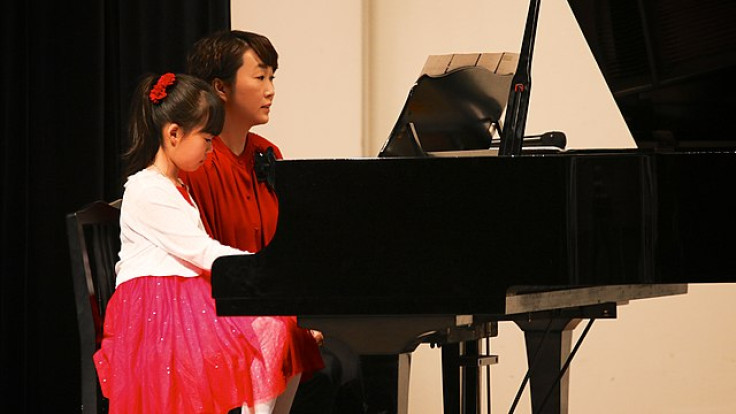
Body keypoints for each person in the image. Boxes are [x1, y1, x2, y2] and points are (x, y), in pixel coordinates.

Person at [93, 72, 322, 414]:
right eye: (207, 138)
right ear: (174, 134)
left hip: (180, 300)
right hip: (156, 313)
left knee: (290, 334)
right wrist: (269, 269)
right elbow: (205, 252)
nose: (211, 148)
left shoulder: (177, 187)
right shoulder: (147, 190)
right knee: (275, 329)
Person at [180, 30, 363, 414]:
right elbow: (197, 268)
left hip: (268, 316)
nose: (271, 89)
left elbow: (285, 251)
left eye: (272, 78)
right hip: (219, 321)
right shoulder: (198, 164)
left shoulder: (267, 154)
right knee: (322, 363)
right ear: (221, 88)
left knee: (347, 359)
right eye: (260, 77)